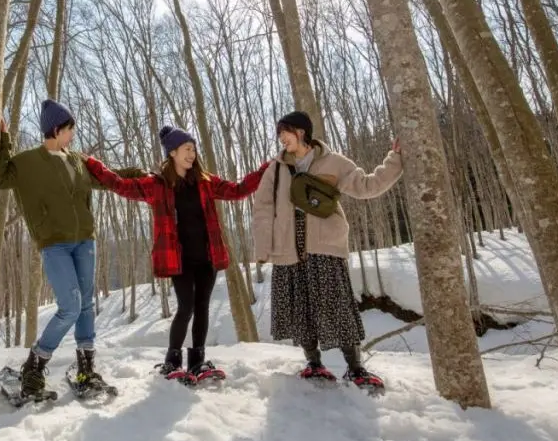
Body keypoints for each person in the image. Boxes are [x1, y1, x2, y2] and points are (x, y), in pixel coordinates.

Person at [84, 125, 270, 382]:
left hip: (207, 256)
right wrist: (93, 164)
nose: (192, 154)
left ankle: (197, 362)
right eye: (186, 149)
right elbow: (120, 185)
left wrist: (264, 170)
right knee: (186, 307)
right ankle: (172, 362)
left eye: (193, 149)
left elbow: (238, 190)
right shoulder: (157, 185)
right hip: (178, 259)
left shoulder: (205, 182)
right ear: (172, 153)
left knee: (202, 306)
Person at [0, 98, 143, 399]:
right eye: (69, 128)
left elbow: (106, 178)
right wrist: (3, 140)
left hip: (85, 240)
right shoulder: (26, 162)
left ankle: (86, 369)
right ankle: (34, 367)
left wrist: (139, 175)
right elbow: (0, 177)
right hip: (54, 243)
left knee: (86, 305)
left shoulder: (77, 159)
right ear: (55, 129)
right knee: (71, 306)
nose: (73, 134)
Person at [252, 110, 402, 392]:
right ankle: (314, 363)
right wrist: (263, 247)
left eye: (285, 132)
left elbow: (367, 185)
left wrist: (394, 160)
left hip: (325, 247)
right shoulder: (275, 169)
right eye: (279, 134)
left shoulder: (333, 162)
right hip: (288, 248)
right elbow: (262, 209)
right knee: (300, 308)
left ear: (301, 132)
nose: (281, 138)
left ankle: (355, 368)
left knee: (336, 305)